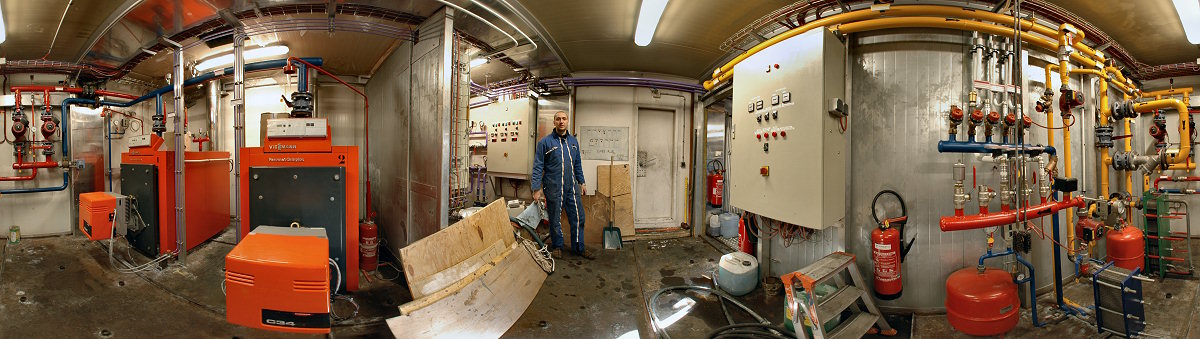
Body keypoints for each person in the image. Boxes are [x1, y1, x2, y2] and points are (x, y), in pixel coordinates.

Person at [532, 111, 595, 259]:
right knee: (554, 219)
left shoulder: (573, 142)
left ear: (567, 121)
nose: (561, 121)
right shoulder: (544, 143)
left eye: (564, 119)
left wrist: (582, 182)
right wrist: (536, 188)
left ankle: (579, 247)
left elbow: (577, 164)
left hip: (571, 187)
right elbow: (537, 166)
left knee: (579, 217)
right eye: (558, 119)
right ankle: (557, 246)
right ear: (554, 122)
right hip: (553, 187)